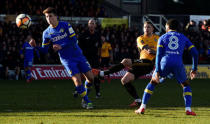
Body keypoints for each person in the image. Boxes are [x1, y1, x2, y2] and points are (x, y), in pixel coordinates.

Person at [135, 19, 198, 116]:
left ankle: (142, 107)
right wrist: (194, 69)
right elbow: (195, 53)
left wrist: (157, 71)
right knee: (186, 85)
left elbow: (159, 55)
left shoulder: (163, 37)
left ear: (167, 27)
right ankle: (188, 109)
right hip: (178, 63)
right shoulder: (183, 37)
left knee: (152, 82)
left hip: (165, 62)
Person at [39, 7, 95, 109]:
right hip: (67, 60)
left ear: (56, 16)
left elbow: (74, 39)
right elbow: (44, 50)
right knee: (77, 81)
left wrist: (61, 46)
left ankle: (84, 97)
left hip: (78, 55)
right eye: (46, 17)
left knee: (91, 78)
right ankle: (87, 101)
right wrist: (35, 47)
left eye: (50, 16)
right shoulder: (46, 33)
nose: (48, 19)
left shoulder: (65, 25)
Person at [97, 21, 159, 107]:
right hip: (141, 63)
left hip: (149, 63)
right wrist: (154, 51)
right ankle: (138, 100)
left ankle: (103, 73)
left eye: (148, 27)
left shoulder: (158, 38)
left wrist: (155, 52)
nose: (146, 29)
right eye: (145, 27)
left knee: (125, 61)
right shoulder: (140, 38)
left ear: (152, 29)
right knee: (124, 80)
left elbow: (162, 51)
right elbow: (146, 48)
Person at [78, 19, 102, 98]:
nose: (91, 25)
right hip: (85, 58)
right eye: (90, 23)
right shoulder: (83, 34)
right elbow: (78, 47)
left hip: (95, 58)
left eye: (93, 23)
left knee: (96, 75)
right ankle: (80, 90)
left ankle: (98, 92)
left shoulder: (98, 35)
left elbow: (99, 47)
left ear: (95, 25)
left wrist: (100, 57)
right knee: (83, 76)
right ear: (88, 25)